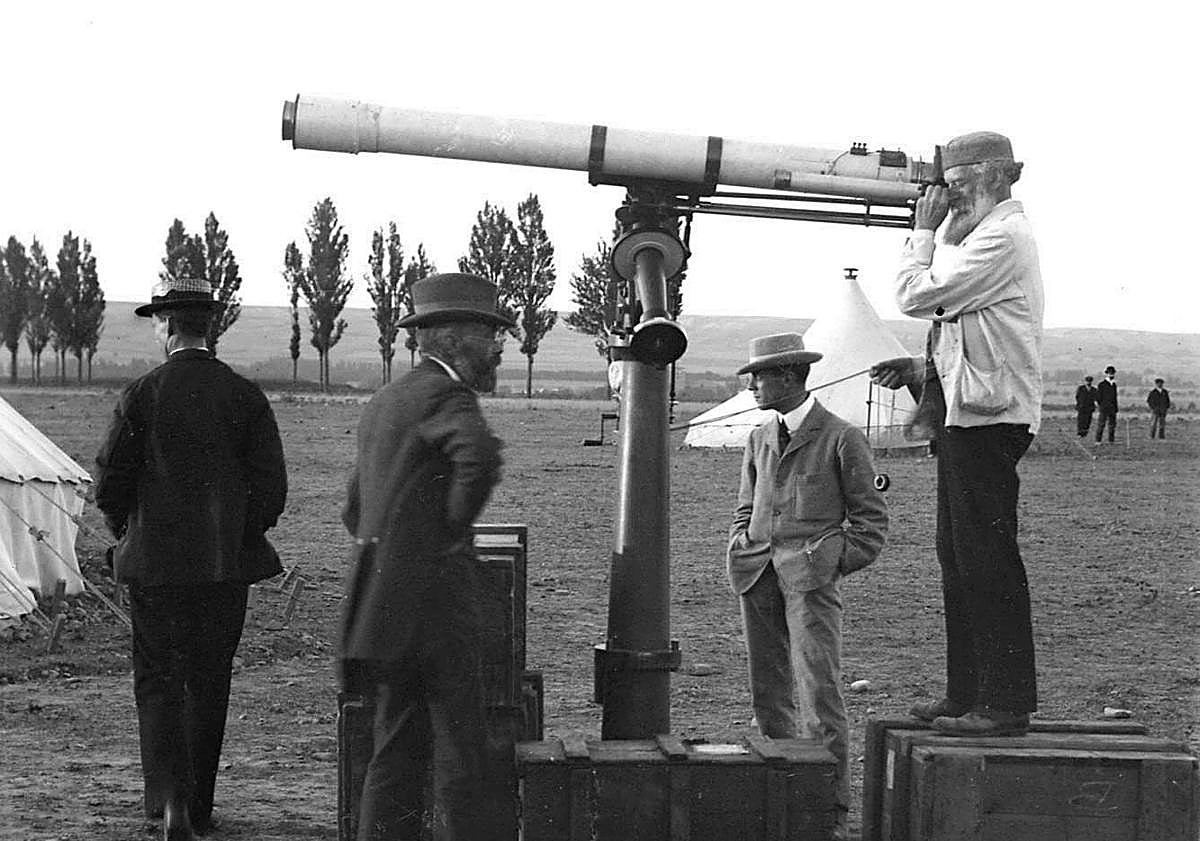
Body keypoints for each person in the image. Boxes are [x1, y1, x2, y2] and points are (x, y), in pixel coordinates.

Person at [94, 276, 288, 841]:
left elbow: (109, 483)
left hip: (153, 569)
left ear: (166, 327)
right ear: (210, 327)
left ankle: (167, 802)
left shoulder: (141, 394)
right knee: (209, 679)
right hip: (224, 569)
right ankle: (197, 808)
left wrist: (129, 533)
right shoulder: (245, 395)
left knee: (157, 677)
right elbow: (271, 489)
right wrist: (237, 535)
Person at [869, 131, 1043, 736]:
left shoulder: (1001, 236)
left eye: (958, 184)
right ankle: (967, 692)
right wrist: (924, 370)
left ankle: (1005, 703)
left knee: (985, 557)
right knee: (960, 555)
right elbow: (976, 329)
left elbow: (916, 294)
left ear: (994, 175)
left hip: (989, 419)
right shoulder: (983, 237)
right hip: (971, 412)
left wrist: (921, 233)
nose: (947, 198)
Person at [340, 273, 511, 841]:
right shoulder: (447, 396)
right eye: (489, 336)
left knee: (394, 746)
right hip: (436, 603)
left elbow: (354, 508)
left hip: (383, 608)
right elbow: (479, 457)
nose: (498, 348)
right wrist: (447, 534)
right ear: (456, 340)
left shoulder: (386, 399)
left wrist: (399, 546)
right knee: (462, 748)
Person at [727, 332, 888, 830]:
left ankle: (828, 811)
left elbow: (870, 523)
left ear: (788, 377)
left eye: (759, 377)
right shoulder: (759, 437)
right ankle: (781, 800)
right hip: (756, 574)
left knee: (820, 693)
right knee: (768, 693)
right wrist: (740, 543)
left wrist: (828, 563)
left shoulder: (841, 437)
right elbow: (745, 506)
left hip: (810, 584)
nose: (751, 386)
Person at [1095, 365, 1119, 443]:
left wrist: (1116, 408)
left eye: (1112, 373)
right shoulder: (1101, 384)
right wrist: (1102, 405)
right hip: (1104, 408)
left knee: (1112, 425)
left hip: (1112, 408)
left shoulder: (1114, 385)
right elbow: (1098, 397)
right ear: (1107, 374)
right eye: (1110, 373)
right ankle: (1098, 441)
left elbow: (1115, 397)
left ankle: (1111, 441)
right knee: (1101, 424)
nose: (1111, 375)